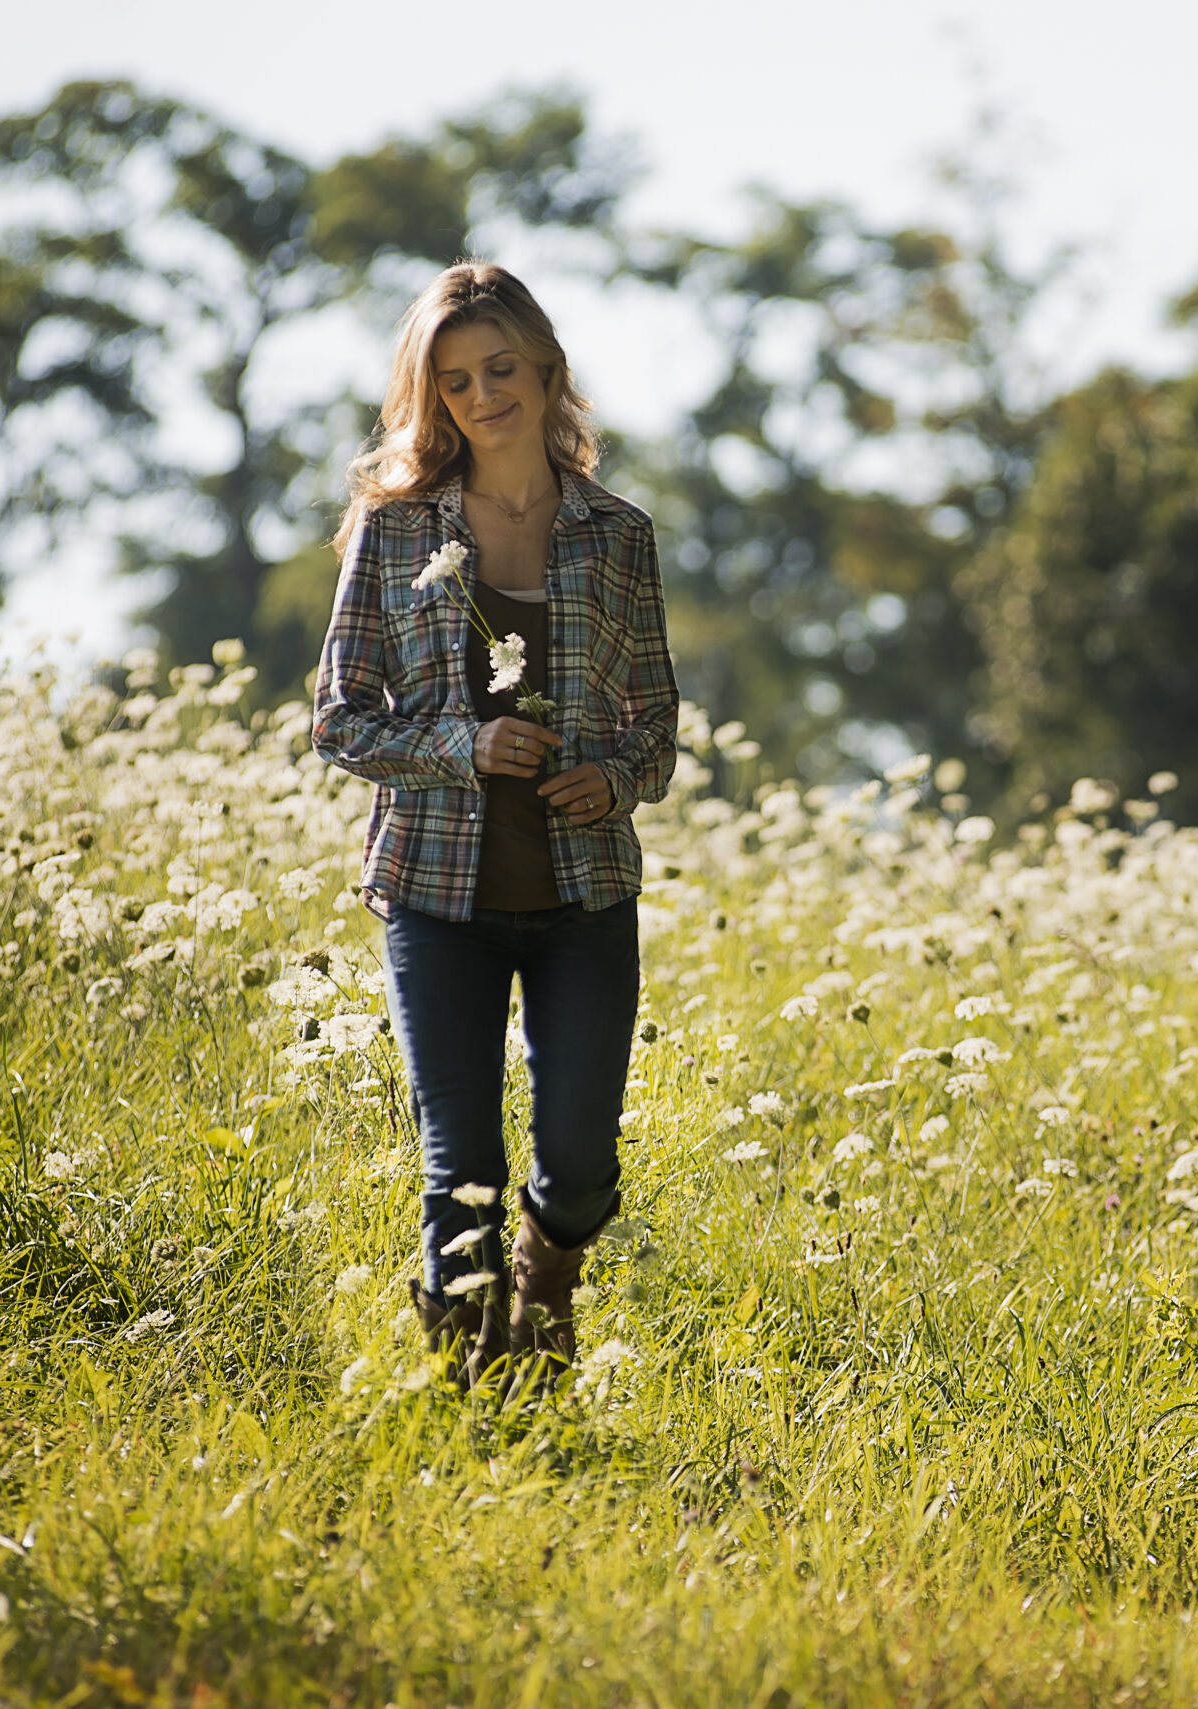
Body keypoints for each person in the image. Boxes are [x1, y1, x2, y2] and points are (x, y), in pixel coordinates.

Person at [312, 261, 676, 1389]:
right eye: (456, 379)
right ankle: (479, 1399)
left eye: (502, 368)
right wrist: (458, 749)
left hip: (583, 893)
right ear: (435, 394)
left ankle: (549, 1271)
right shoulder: (393, 528)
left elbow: (655, 724)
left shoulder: (619, 535)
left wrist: (612, 778)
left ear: (548, 368)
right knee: (457, 1165)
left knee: (578, 1162)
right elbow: (338, 718)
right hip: (435, 891)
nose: (482, 395)